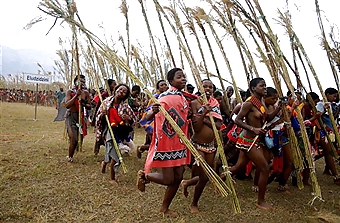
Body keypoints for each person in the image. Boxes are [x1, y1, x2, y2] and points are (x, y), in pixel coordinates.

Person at [136, 68, 191, 216]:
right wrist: (153, 112)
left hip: (180, 142)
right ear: (171, 81)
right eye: (179, 77)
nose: (183, 79)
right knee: (168, 179)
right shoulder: (163, 98)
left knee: (178, 177)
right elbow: (144, 119)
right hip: (166, 144)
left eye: (184, 77)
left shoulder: (184, 98)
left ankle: (164, 208)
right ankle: (144, 175)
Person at [229, 78, 282, 210]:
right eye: (262, 86)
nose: (265, 88)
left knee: (237, 168)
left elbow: (267, 118)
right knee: (264, 168)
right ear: (253, 88)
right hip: (248, 141)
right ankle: (260, 201)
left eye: (265, 85)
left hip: (255, 141)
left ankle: (215, 179)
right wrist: (254, 129)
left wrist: (278, 109)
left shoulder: (261, 102)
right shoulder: (248, 103)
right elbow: (237, 120)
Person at [181, 79, 222, 214]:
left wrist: (203, 117)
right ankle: (194, 204)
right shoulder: (194, 103)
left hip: (211, 146)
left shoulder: (215, 103)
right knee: (204, 177)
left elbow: (218, 126)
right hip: (197, 145)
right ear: (200, 87)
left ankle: (187, 183)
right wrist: (204, 113)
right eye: (205, 86)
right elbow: (197, 128)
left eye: (210, 87)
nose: (208, 89)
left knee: (206, 177)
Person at [96, 84, 137, 185]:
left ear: (125, 95)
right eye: (120, 89)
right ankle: (112, 178)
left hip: (119, 131)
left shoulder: (125, 106)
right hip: (108, 130)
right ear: (115, 90)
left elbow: (134, 120)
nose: (121, 92)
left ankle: (105, 163)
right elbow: (98, 118)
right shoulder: (105, 102)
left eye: (124, 92)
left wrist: (128, 118)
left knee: (111, 151)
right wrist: (103, 114)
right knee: (114, 152)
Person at [138, 79, 169, 158]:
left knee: (154, 142)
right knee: (156, 144)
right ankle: (142, 148)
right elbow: (149, 111)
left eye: (165, 84)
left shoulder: (169, 96)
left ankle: (142, 148)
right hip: (154, 123)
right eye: (162, 85)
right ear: (158, 88)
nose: (164, 86)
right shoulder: (154, 98)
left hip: (165, 122)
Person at [65, 75, 91, 163]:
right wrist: (76, 95)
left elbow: (89, 106)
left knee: (80, 137)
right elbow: (67, 105)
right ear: (75, 82)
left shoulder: (86, 93)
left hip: (81, 116)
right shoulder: (70, 91)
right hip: (71, 116)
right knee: (74, 139)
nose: (82, 83)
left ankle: (76, 148)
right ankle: (70, 156)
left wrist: (83, 103)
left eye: (84, 82)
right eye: (80, 81)